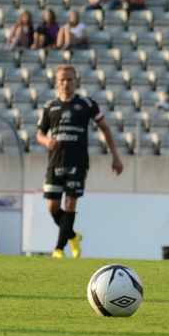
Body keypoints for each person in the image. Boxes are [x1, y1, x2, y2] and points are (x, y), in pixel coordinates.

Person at [38, 65, 123, 258]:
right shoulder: (50, 106)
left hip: (78, 161)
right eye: (62, 80)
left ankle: (59, 249)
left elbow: (105, 128)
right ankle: (73, 236)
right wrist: (46, 141)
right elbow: (40, 133)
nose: (66, 83)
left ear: (75, 81)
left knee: (70, 202)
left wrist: (115, 157)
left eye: (69, 79)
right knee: (52, 206)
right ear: (57, 82)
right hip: (55, 161)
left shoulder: (86, 104)